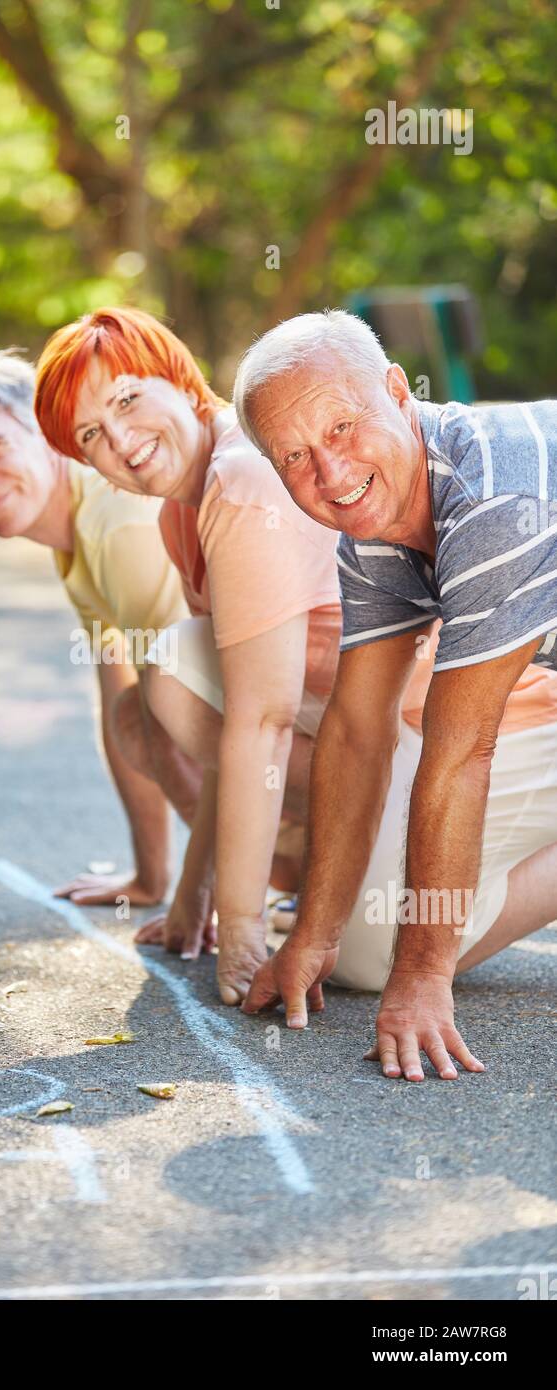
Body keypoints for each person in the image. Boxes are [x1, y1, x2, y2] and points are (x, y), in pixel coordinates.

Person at [234, 309, 557, 1081]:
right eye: (296, 456)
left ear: (396, 391)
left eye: (342, 428)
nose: (332, 474)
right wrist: (313, 932)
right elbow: (356, 729)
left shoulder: (493, 499)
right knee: (358, 950)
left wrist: (423, 976)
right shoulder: (376, 523)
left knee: (392, 949)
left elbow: (460, 753)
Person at [34, 307, 345, 1002]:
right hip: (353, 738)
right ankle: (336, 861)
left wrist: (240, 935)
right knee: (172, 678)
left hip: (412, 738)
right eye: (91, 434)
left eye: (126, 399)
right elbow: (237, 723)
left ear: (178, 377)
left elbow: (260, 725)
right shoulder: (184, 510)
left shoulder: (238, 475)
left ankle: (366, 857)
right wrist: (192, 895)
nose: (120, 439)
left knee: (172, 671)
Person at [0, 343, 193, 910]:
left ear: (42, 425)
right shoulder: (78, 530)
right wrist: (151, 879)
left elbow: (218, 720)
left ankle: (296, 879)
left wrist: (217, 899)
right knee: (142, 708)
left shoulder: (115, 524)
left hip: (338, 744)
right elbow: (123, 712)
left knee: (173, 701)